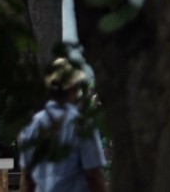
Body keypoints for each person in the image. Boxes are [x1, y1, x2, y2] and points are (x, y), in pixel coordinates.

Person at [19, 57, 108, 192]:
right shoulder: (81, 125)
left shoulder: (33, 126)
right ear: (74, 87)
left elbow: (27, 179)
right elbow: (94, 176)